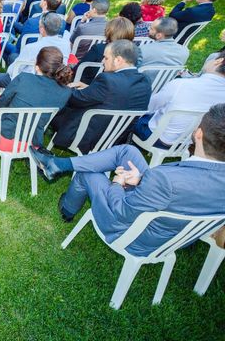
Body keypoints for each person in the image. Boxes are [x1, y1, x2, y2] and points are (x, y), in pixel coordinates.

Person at [29, 104, 225, 259]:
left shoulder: (164, 179)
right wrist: (140, 179)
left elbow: (121, 211)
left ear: (199, 133)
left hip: (136, 235)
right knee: (128, 151)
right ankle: (58, 165)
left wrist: (117, 183)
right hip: (173, 222)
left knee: (88, 174)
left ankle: (67, 209)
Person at [50, 40, 151, 153]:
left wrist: (66, 87)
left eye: (106, 58)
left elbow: (76, 99)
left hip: (87, 137)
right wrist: (89, 87)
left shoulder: (107, 79)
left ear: (118, 60)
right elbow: (116, 97)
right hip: (115, 138)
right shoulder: (145, 81)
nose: (103, 61)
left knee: (58, 108)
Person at [0, 46, 73, 151]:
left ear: (37, 66)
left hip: (3, 138)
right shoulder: (66, 92)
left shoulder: (24, 78)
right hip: (32, 142)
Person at [133, 54, 225, 148]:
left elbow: (148, 107)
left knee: (134, 115)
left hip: (156, 138)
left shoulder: (180, 84)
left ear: (218, 61)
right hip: (186, 143)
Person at [0, 13, 71, 88]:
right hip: (53, 82)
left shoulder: (32, 47)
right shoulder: (66, 45)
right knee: (13, 57)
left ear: (42, 29)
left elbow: (12, 71)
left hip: (27, 82)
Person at [74, 16, 134, 85]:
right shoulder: (132, 54)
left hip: (88, 85)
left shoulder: (99, 49)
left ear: (108, 31)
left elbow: (78, 69)